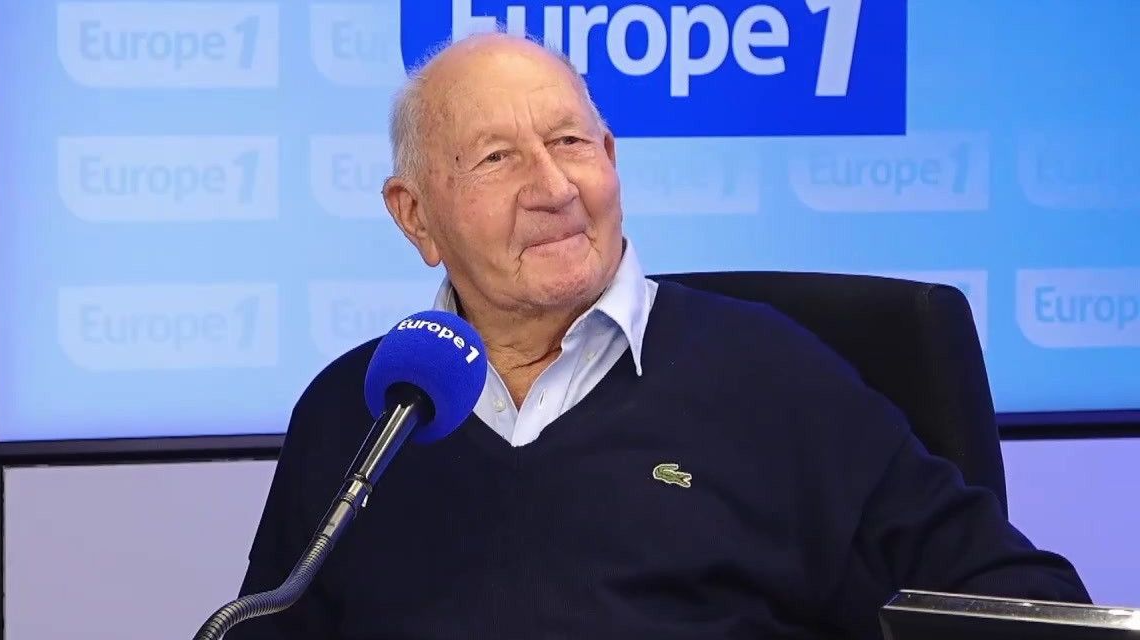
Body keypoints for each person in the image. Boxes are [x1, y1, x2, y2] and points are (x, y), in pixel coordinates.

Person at [229, 32, 1088, 639]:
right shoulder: (359, 410)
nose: (554, 187)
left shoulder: (775, 377)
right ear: (416, 215)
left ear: (610, 157)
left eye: (571, 142)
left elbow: (1023, 605)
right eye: (496, 158)